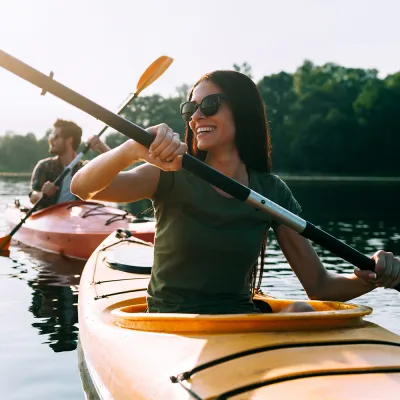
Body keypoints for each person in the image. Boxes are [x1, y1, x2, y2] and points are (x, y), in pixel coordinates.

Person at [71, 70, 400, 314]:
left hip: (241, 322)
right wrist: (130, 150)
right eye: (191, 109)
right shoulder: (170, 173)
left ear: (242, 110)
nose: (197, 116)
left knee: (303, 310)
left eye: (210, 105)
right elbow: (82, 187)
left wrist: (371, 275)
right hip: (170, 324)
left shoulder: (271, 192)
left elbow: (319, 286)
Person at [29, 119, 110, 209]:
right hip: (48, 217)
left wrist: (101, 146)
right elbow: (33, 196)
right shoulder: (44, 166)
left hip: (75, 219)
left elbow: (115, 167)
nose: (51, 140)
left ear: (69, 140)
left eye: (55, 136)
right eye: (51, 136)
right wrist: (42, 194)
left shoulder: (85, 169)